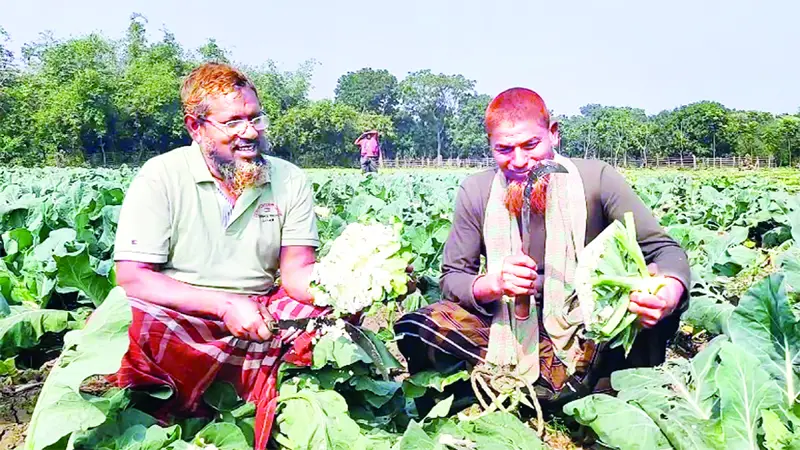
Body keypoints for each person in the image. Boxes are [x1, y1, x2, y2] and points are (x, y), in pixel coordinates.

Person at [394, 87, 690, 416]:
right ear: (491, 147)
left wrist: (669, 291)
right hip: (505, 328)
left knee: (651, 304)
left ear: (553, 135)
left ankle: (616, 394)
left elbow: (664, 251)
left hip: (587, 330)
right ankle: (481, 393)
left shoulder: (595, 180)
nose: (519, 161)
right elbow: (452, 277)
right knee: (418, 327)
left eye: (531, 145)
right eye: (504, 150)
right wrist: (491, 285)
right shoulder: (476, 191)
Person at [108, 62, 327, 450]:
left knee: (329, 319)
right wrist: (224, 305)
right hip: (180, 309)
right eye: (233, 122)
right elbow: (134, 277)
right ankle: (168, 404)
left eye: (256, 118)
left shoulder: (288, 179)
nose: (250, 133)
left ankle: (262, 404)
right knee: (137, 321)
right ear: (196, 127)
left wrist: (351, 285)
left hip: (258, 313)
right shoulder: (161, 176)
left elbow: (295, 274)